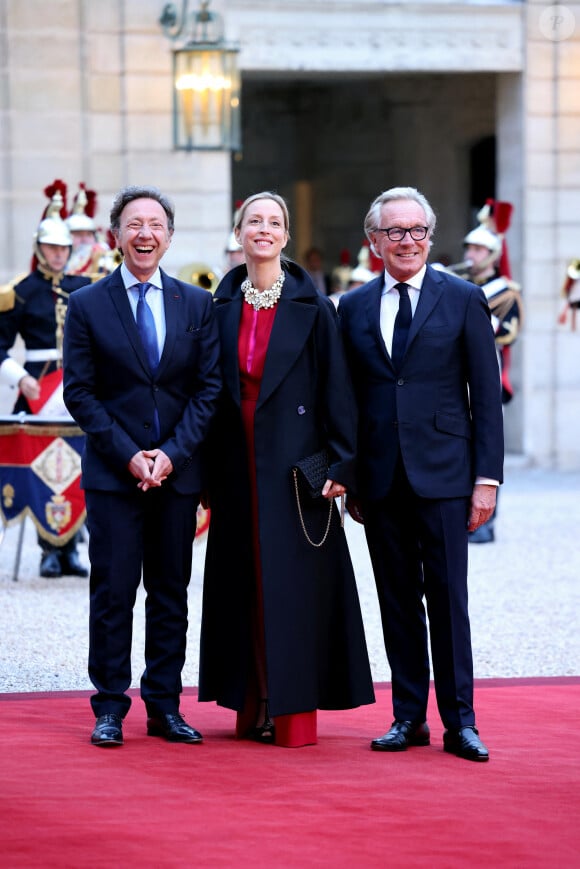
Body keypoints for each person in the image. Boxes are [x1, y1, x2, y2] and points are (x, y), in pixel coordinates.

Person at [198, 191, 374, 747]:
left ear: (286, 234)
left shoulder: (314, 306)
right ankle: (255, 703)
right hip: (236, 466)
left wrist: (342, 462)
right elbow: (206, 394)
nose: (264, 230)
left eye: (275, 222)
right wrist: (203, 471)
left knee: (292, 591)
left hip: (298, 469)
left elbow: (337, 390)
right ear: (239, 232)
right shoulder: (220, 305)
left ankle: (291, 709)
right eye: (255, 221)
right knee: (244, 583)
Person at [338, 186, 504, 762]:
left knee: (448, 603)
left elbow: (485, 395)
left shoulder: (463, 298)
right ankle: (408, 716)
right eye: (394, 232)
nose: (407, 242)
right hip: (380, 481)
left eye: (416, 231)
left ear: (430, 237)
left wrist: (487, 479)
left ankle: (461, 722)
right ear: (374, 242)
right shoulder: (353, 308)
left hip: (446, 477)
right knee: (397, 601)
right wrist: (349, 476)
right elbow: (346, 400)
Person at [62, 185, 221, 748]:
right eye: (133, 224)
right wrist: (130, 454)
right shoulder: (86, 305)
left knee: (171, 593)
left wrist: (171, 455)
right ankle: (109, 706)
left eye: (155, 224)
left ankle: (163, 706)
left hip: (176, 478)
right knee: (113, 593)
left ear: (169, 237)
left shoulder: (196, 305)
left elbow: (208, 390)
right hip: (114, 475)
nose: (145, 233)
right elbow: (80, 395)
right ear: (116, 236)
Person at [0, 184, 91, 578]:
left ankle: (71, 547)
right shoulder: (19, 293)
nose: (58, 255)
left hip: (78, 387)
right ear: (40, 249)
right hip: (38, 390)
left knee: (79, 466)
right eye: (52, 248)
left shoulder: (84, 288)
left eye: (63, 248)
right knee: (44, 468)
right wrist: (19, 379)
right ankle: (48, 550)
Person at [462, 213, 523, 543]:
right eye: (469, 248)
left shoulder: (507, 292)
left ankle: (487, 518)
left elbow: (511, 332)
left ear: (491, 255)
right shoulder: (457, 284)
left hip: (488, 372)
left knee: (488, 444)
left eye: (477, 249)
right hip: (455, 373)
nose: (470, 254)